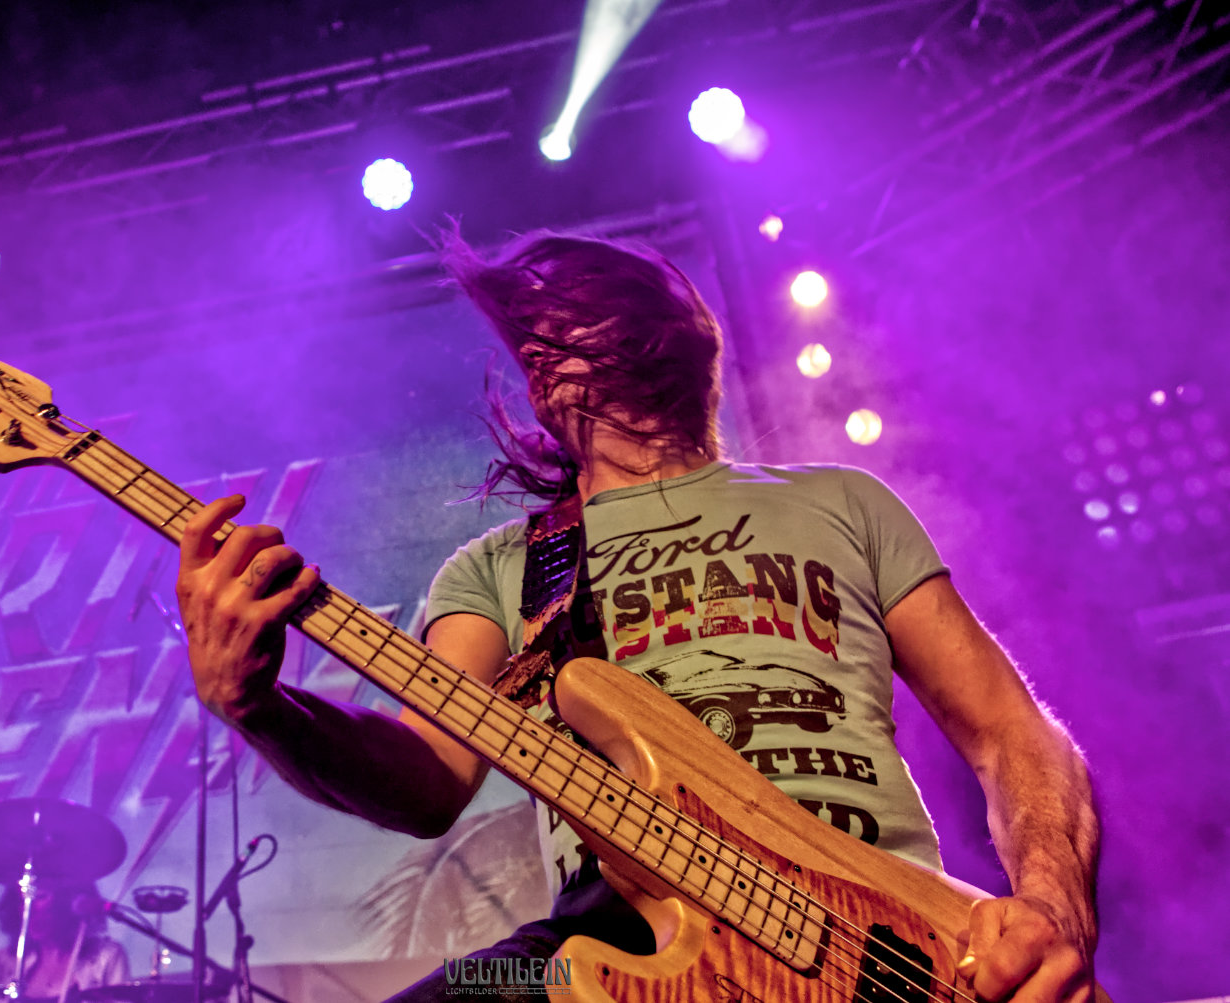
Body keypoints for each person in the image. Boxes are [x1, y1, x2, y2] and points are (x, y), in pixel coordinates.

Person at [175, 230, 1100, 1002]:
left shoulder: (841, 502)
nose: (554, 340)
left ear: (684, 331)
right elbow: (428, 781)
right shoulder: (505, 569)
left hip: (891, 947)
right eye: (543, 332)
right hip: (616, 934)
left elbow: (1010, 729)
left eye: (588, 308)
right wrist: (263, 708)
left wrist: (1050, 912)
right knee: (481, 985)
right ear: (538, 378)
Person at [0, 879, 130, 1002]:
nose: (28, 909)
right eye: (21, 900)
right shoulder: (0, 963)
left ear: (69, 901)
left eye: (40, 897)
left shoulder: (106, 957)